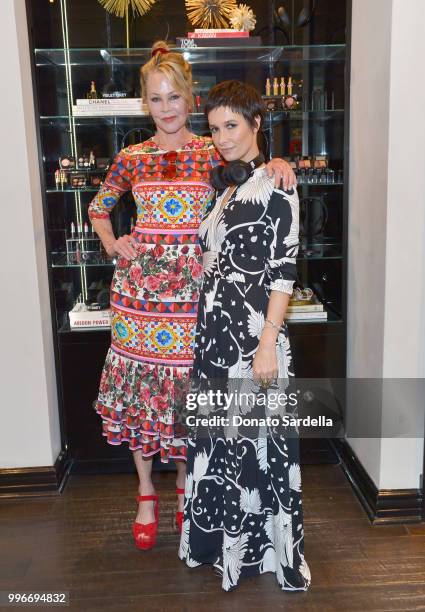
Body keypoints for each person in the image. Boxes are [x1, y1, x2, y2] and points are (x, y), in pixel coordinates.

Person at [88, 41, 296, 551]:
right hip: (136, 300)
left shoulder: (210, 149)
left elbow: (249, 170)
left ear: (189, 98)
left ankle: (184, 486)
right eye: (156, 99)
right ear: (145, 104)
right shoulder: (130, 157)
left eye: (174, 97)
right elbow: (98, 207)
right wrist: (116, 242)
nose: (166, 109)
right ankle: (144, 493)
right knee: (138, 396)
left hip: (193, 301)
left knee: (183, 401)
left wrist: (281, 161)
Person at [178, 80, 311, 592]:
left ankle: (263, 557)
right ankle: (219, 547)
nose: (222, 137)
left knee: (260, 449)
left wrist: (267, 342)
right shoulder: (227, 186)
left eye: (232, 125)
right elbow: (215, 260)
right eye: (214, 129)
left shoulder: (277, 183)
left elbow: (283, 268)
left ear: (257, 123)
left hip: (253, 339)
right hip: (215, 337)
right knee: (221, 446)